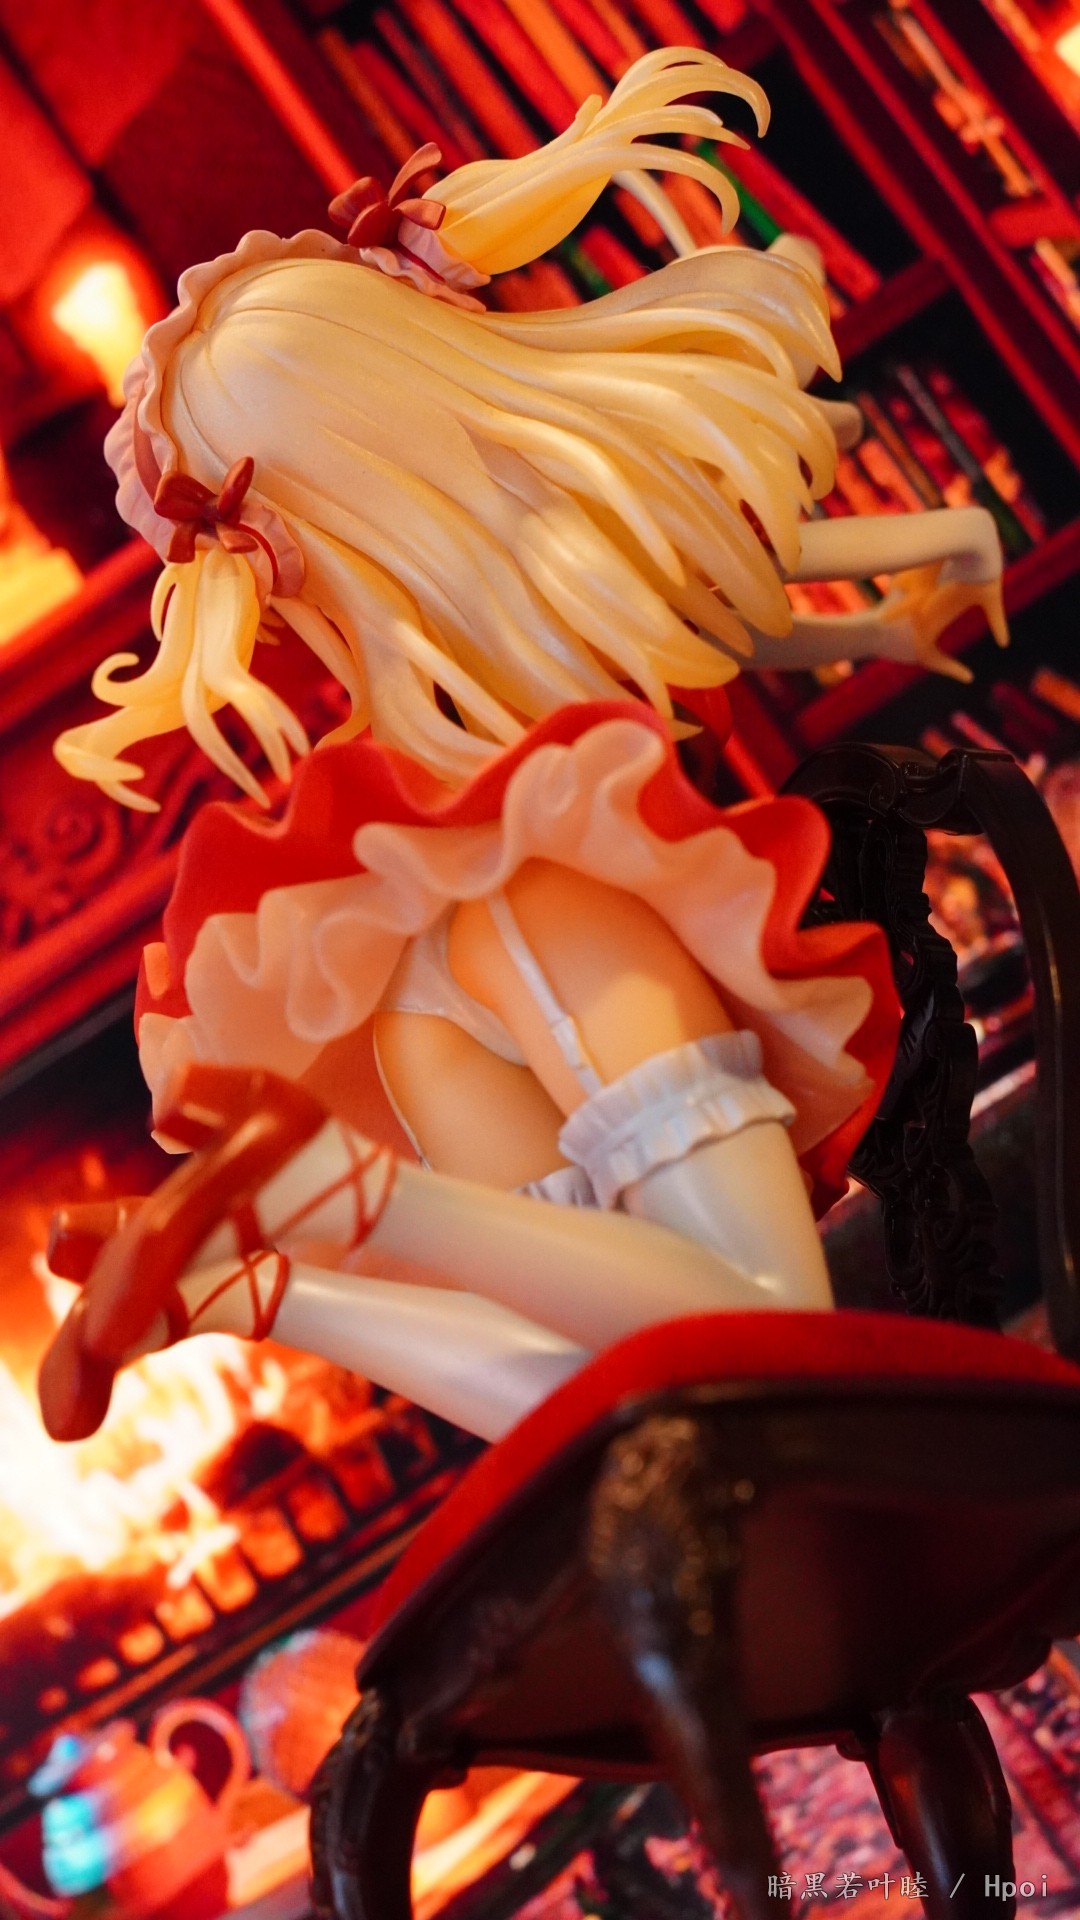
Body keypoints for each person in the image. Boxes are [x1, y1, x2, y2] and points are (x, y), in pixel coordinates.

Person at [40, 48, 1000, 1448]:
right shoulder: (543, 787)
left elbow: (707, 595)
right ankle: (344, 1200)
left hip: (424, 984)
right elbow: (708, 585)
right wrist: (946, 560)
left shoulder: (419, 783)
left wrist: (908, 602)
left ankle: (263, 1287)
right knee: (770, 1322)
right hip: (535, 921)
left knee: (616, 1401)